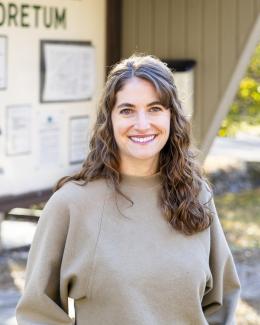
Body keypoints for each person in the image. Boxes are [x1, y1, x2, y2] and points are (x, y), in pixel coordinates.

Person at [16, 54, 240, 324]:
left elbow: (221, 302)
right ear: (109, 120)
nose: (142, 124)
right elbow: (36, 313)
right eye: (127, 110)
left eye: (155, 108)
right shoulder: (71, 205)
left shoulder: (196, 194)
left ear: (172, 116)